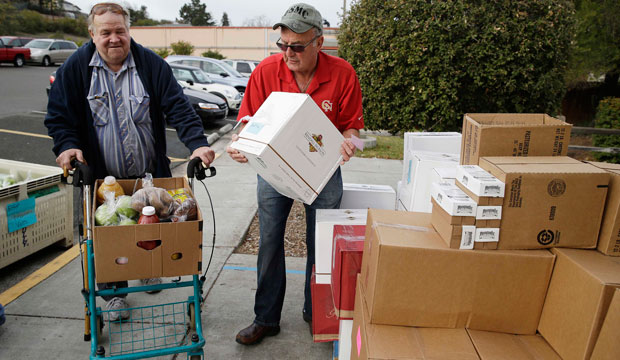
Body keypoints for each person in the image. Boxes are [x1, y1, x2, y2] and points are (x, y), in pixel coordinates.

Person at [45, 2, 215, 321]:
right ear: (92, 34)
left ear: (129, 31)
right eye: (105, 32)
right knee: (110, 235)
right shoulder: (76, 69)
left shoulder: (151, 65)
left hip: (149, 177)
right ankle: (114, 294)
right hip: (103, 181)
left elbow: (179, 108)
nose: (114, 38)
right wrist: (67, 146)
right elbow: (58, 117)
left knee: (150, 229)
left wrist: (198, 145)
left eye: (119, 31)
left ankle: (147, 270)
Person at [226, 3, 364, 345]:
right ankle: (266, 318)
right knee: (270, 241)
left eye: (297, 47)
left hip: (323, 174)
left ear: (319, 42)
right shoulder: (266, 71)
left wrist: (349, 143)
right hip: (274, 173)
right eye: (283, 45)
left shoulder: (343, 73)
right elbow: (246, 121)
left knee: (322, 244)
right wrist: (238, 142)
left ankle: (316, 311)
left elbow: (351, 128)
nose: (288, 53)